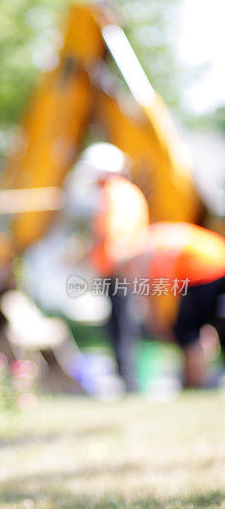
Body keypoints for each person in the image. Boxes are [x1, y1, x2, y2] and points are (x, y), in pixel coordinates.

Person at [126, 222, 225, 388]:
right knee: (206, 327)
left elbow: (149, 295)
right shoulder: (155, 236)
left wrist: (158, 327)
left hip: (202, 272)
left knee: (187, 332)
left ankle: (196, 382)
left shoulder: (139, 252)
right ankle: (204, 374)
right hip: (216, 265)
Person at [86, 145, 150, 392]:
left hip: (119, 270)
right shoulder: (128, 192)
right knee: (124, 324)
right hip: (124, 268)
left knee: (121, 325)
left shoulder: (114, 194)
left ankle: (128, 381)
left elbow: (113, 233)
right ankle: (128, 380)